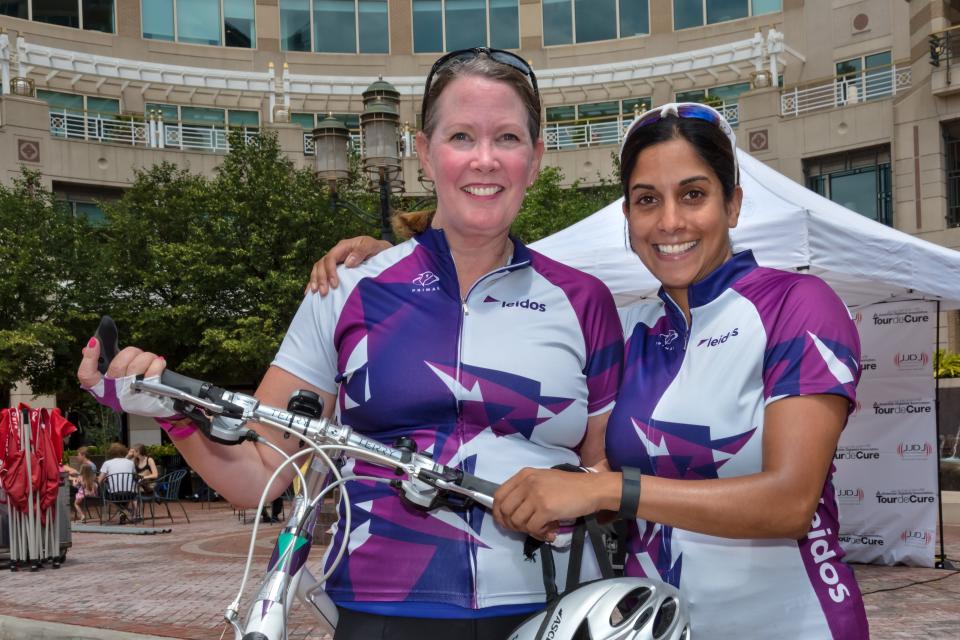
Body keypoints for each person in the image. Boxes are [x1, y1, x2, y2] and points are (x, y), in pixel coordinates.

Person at [77, 48, 623, 640]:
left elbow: (604, 474)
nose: (484, 159)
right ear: (423, 152)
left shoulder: (584, 300)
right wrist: (173, 415)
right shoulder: (344, 290)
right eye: (461, 136)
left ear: (536, 158)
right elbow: (262, 474)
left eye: (509, 138)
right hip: (381, 608)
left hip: (552, 609)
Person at [310, 103, 869, 638]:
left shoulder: (798, 304)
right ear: (627, 215)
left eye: (693, 195)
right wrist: (399, 261)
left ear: (734, 204)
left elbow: (790, 503)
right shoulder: (630, 328)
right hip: (649, 625)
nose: (670, 221)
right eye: (647, 200)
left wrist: (605, 491)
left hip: (793, 624)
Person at [99, 442, 138, 523]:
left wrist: (107, 479)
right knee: (126, 494)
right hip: (129, 493)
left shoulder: (107, 463)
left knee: (105, 494)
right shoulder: (130, 463)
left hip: (114, 495)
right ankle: (123, 511)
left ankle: (122, 510)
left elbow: (99, 480)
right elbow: (134, 476)